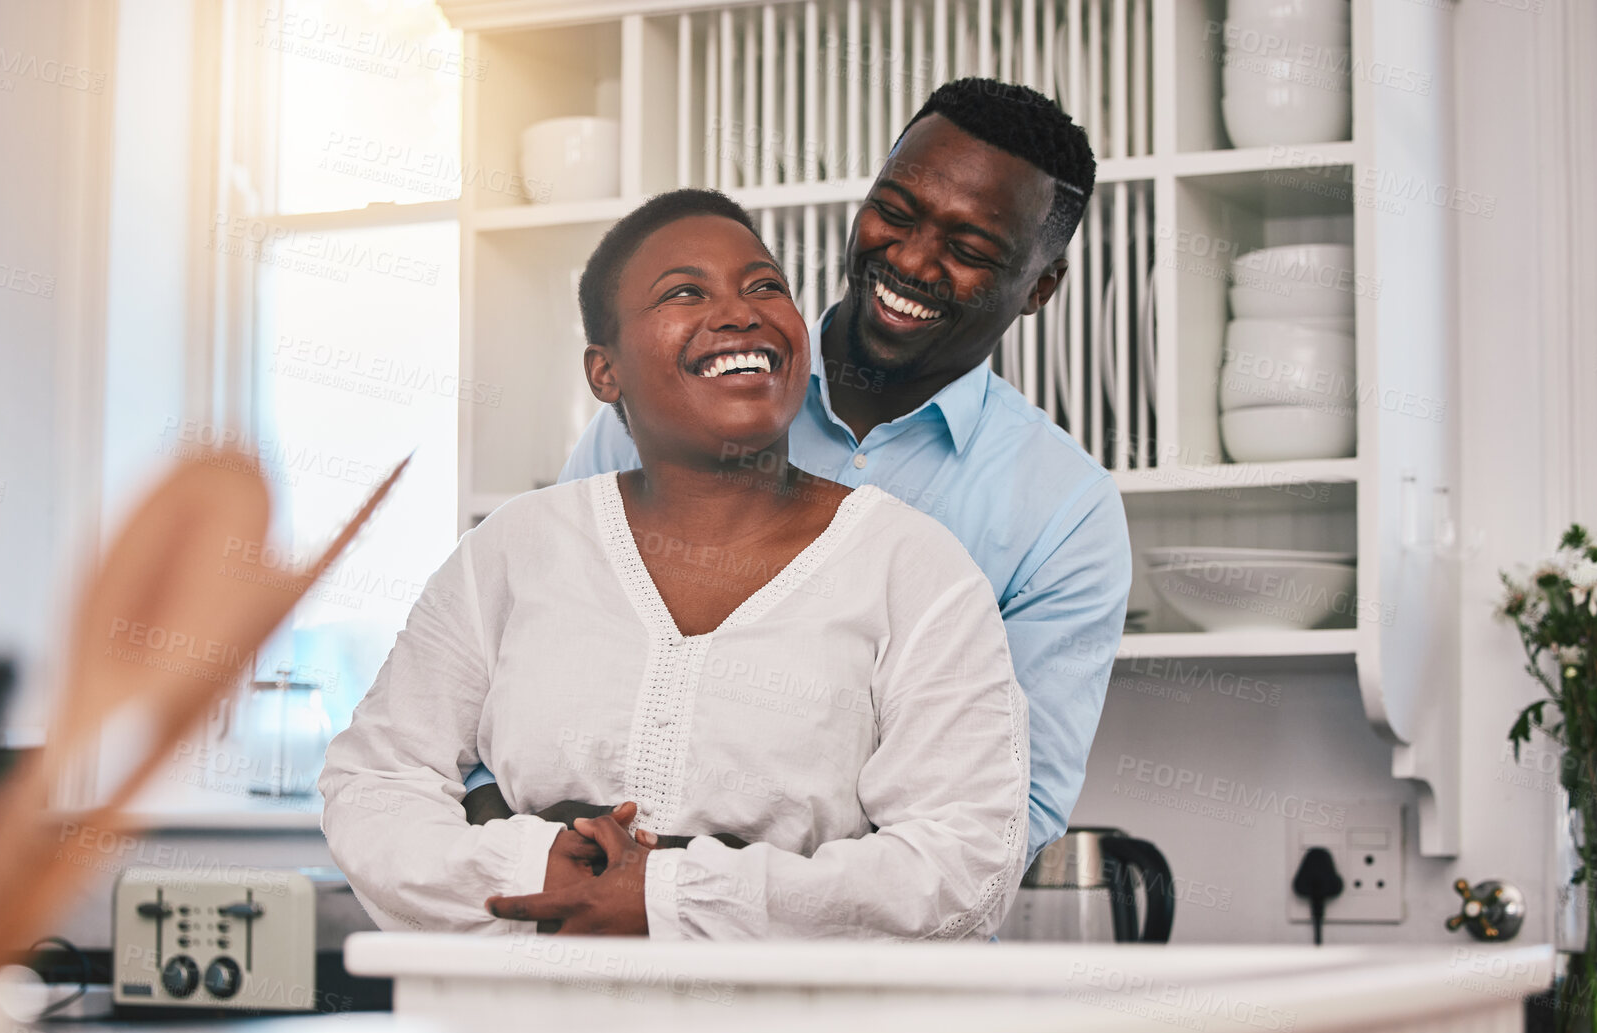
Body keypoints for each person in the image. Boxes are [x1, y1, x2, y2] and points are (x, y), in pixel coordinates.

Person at [320, 189, 1029, 939]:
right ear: (605, 373)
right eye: (685, 292)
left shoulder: (915, 571)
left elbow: (965, 861)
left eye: (765, 287)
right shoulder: (515, 549)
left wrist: (672, 895)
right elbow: (375, 780)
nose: (740, 312)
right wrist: (530, 868)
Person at [463, 78, 1130, 866]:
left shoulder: (1064, 513)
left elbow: (999, 818)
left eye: (969, 250)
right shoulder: (669, 400)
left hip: (844, 978)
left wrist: (683, 886)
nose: (910, 259)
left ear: (1042, 288)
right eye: (896, 210)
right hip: (577, 935)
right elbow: (500, 693)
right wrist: (556, 852)